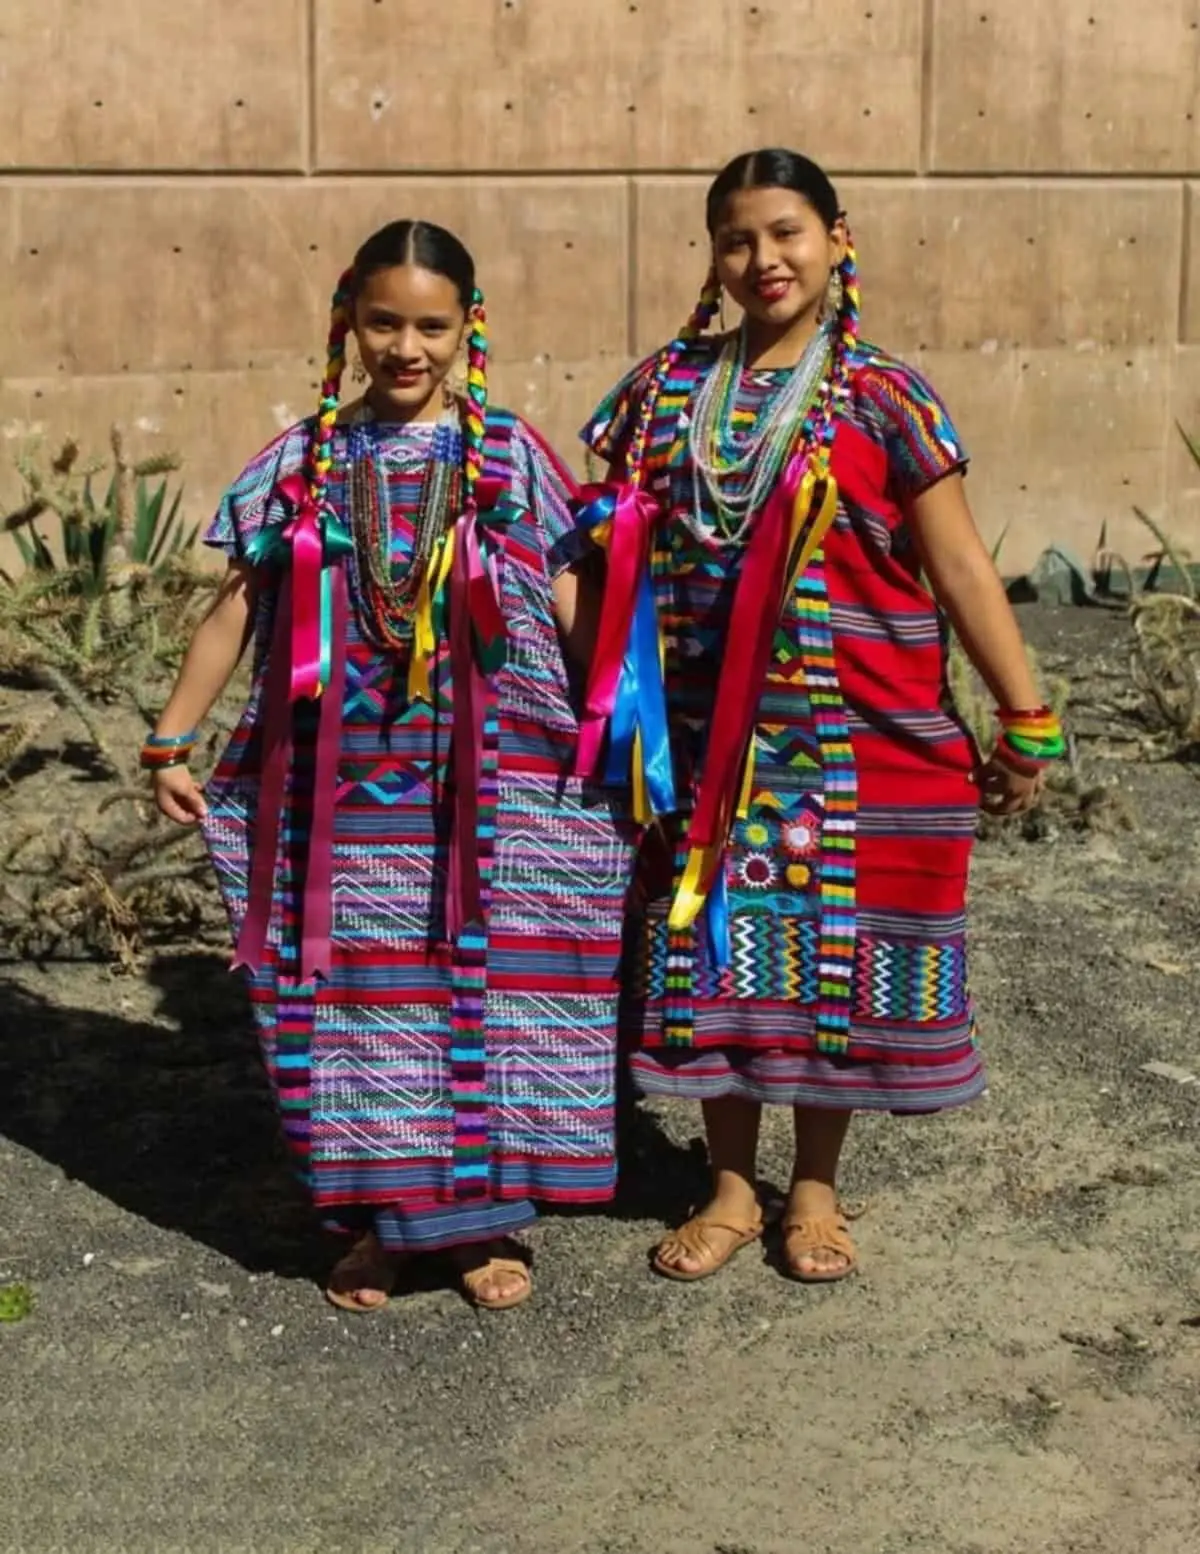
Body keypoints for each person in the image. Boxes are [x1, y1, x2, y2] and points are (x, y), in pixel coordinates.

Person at [577, 149, 1064, 1284]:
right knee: (714, 951)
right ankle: (733, 1185)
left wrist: (1023, 710)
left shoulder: (889, 397)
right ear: (715, 254)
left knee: (832, 963)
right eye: (739, 239)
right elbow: (597, 551)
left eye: (787, 233)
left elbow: (956, 564)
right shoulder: (657, 393)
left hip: (865, 744)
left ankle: (815, 1186)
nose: (764, 260)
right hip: (702, 747)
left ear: (838, 237)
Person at [144, 219, 629, 1313]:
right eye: (383, 322)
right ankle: (380, 1225)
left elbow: (567, 598)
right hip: (342, 791)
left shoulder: (507, 457)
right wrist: (171, 733)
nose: (406, 347)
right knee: (358, 997)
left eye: (431, 326)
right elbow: (237, 608)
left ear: (468, 329)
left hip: (496, 784)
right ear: (347, 323)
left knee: (491, 987)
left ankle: (478, 1229)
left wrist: (624, 725)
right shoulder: (300, 464)